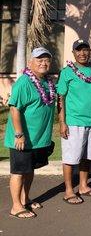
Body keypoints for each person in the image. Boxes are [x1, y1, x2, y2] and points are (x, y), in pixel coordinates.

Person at [5, 47, 56, 219]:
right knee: (19, 172)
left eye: (46, 60)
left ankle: (25, 199)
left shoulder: (47, 82)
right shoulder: (24, 83)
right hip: (23, 139)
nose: (43, 63)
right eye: (39, 60)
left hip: (38, 139)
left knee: (29, 170)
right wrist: (19, 134)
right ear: (30, 63)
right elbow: (14, 109)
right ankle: (16, 206)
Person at [56, 40, 91, 205]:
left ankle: (83, 185)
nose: (82, 53)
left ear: (90, 52)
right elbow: (60, 98)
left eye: (85, 50)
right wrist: (62, 122)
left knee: (87, 156)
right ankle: (68, 190)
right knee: (70, 157)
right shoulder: (67, 72)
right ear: (73, 53)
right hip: (73, 122)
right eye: (78, 50)